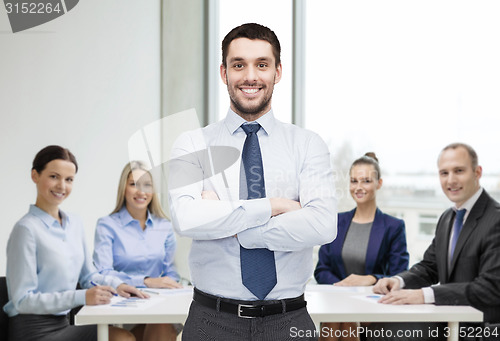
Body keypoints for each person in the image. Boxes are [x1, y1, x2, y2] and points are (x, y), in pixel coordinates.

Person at [168, 23, 337, 340]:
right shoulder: (191, 144)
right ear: (223, 72)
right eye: (238, 65)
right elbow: (186, 219)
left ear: (278, 71)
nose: (250, 76)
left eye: (262, 64)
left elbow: (323, 225)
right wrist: (273, 206)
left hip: (289, 321)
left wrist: (232, 221)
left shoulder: (308, 144)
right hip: (211, 322)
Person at [3, 145, 147, 341]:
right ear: (35, 176)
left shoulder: (74, 223)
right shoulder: (26, 230)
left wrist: (118, 285)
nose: (62, 186)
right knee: (122, 339)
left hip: (65, 323)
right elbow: (22, 300)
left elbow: (89, 276)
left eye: (69, 179)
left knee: (128, 336)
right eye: (54, 176)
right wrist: (81, 297)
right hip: (33, 331)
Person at [372, 143, 500, 341]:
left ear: (478, 172)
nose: (451, 180)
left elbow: (490, 288)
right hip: (449, 321)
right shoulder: (447, 218)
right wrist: (399, 281)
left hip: (482, 330)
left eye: (459, 171)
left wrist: (423, 295)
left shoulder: (496, 220)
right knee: (376, 329)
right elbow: (430, 267)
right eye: (444, 173)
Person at [314, 152, 409, 341]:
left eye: (366, 181)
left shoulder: (393, 226)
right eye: (354, 181)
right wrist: (342, 289)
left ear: (378, 184)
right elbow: (322, 270)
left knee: (341, 317)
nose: (358, 187)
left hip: (373, 305)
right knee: (342, 316)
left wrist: (371, 278)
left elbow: (400, 274)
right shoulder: (336, 222)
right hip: (337, 302)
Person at [93, 161, 181, 341]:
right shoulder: (107, 225)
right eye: (133, 184)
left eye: (147, 185)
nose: (141, 192)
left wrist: (167, 283)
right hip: (118, 308)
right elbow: (102, 272)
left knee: (163, 325)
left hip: (155, 306)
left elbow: (171, 272)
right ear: (123, 188)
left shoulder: (164, 227)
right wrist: (146, 281)